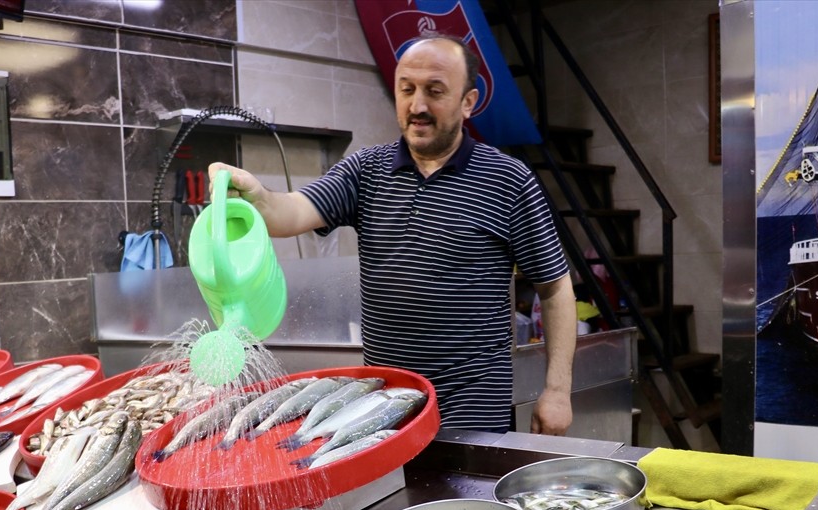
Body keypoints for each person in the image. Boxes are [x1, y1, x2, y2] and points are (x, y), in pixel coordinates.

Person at [209, 33, 575, 434]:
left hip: (472, 408)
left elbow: (555, 289)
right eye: (407, 90)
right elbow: (292, 212)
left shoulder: (508, 179)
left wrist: (557, 391)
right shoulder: (367, 169)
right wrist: (257, 197)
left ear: (467, 102)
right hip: (382, 405)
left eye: (435, 91)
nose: (417, 106)